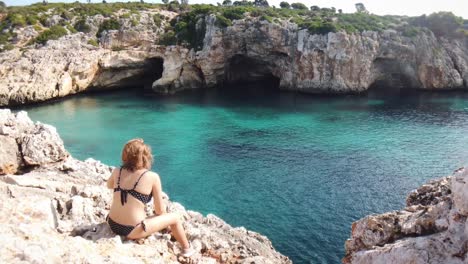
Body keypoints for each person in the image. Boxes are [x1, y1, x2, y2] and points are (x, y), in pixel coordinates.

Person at [106, 138, 194, 257]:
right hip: (132, 230)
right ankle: (187, 250)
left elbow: (109, 185)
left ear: (126, 155)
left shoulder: (118, 171)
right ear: (146, 157)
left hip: (112, 224)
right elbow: (159, 211)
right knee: (175, 218)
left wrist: (128, 144)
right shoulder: (152, 177)